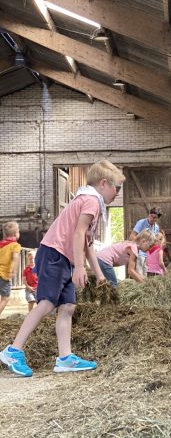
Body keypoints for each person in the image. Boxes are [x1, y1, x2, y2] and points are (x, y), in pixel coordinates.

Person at [0, 159, 125, 377]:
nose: (118, 193)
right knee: (47, 303)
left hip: (65, 258)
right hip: (55, 253)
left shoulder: (90, 201)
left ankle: (65, 358)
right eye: (118, 188)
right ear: (104, 183)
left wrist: (99, 275)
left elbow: (86, 244)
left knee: (68, 306)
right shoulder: (91, 201)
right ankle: (13, 350)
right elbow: (77, 234)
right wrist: (79, 268)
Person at [129, 207, 162, 276]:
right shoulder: (141, 222)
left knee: (145, 275)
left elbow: (154, 243)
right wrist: (140, 246)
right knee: (139, 274)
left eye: (155, 217)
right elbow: (131, 237)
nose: (152, 218)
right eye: (151, 216)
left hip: (148, 255)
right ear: (148, 215)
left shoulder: (156, 227)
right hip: (139, 253)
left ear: (157, 218)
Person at [0, 222, 21, 318]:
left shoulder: (1, 245)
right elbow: (15, 258)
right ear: (15, 234)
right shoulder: (15, 245)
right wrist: (13, 271)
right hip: (4, 275)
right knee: (5, 298)